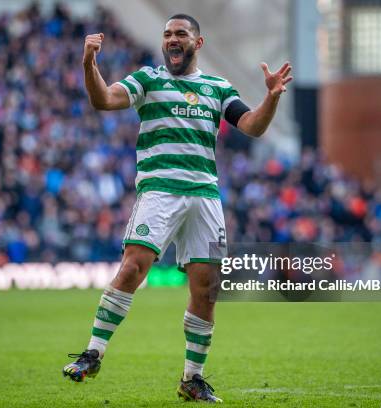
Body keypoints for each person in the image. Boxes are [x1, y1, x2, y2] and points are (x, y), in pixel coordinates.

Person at [63, 13, 293, 403]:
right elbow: (103, 99)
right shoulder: (147, 80)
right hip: (159, 191)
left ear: (197, 44)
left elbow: (253, 126)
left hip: (204, 196)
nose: (172, 39)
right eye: (167, 33)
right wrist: (89, 64)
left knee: (206, 290)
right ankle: (92, 353)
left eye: (181, 34)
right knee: (134, 267)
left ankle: (193, 379)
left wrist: (270, 98)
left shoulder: (217, 87)